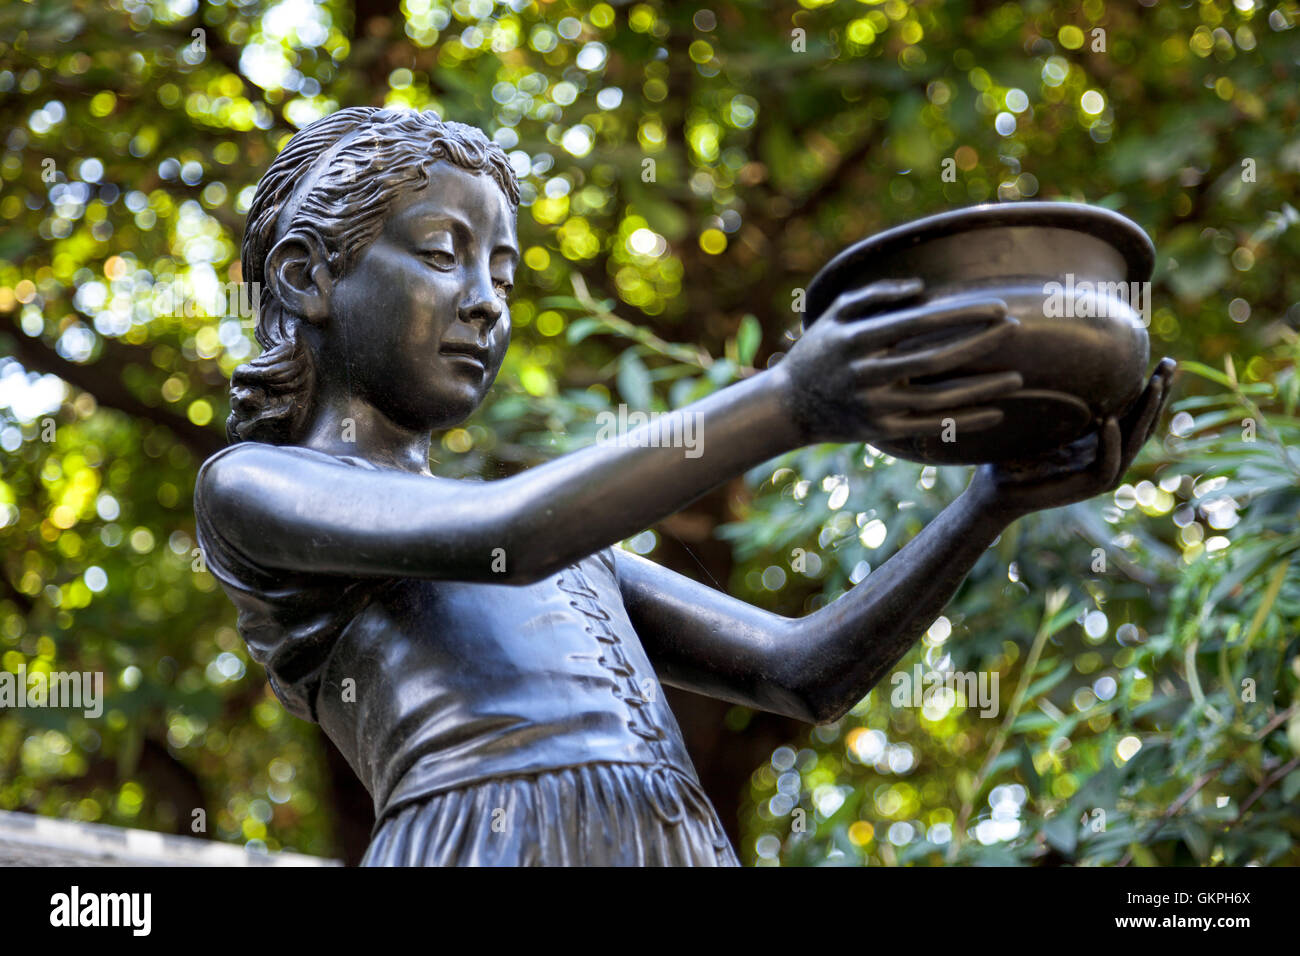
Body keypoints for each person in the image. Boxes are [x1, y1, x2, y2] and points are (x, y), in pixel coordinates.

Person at [195, 107, 1173, 866]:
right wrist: (790, 396)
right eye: (445, 254)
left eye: (504, 267)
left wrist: (987, 503)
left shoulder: (560, 542)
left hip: (672, 838)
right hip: (485, 836)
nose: (487, 299)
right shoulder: (256, 487)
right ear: (303, 276)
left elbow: (801, 671)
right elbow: (513, 531)